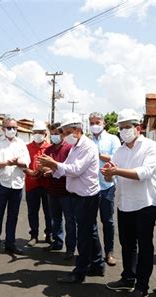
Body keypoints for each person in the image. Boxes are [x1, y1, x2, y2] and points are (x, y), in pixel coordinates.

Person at [101, 109, 156, 297]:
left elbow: (143, 173)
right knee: (127, 245)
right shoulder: (119, 151)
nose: (124, 131)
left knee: (144, 246)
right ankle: (128, 277)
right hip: (124, 203)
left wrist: (116, 170)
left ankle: (142, 287)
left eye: (127, 127)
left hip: (145, 203)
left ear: (138, 128)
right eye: (121, 127)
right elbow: (111, 176)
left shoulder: (151, 147)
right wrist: (108, 174)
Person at [38, 112, 104, 284]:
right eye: (63, 133)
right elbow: (66, 169)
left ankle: (79, 272)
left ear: (77, 130)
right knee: (91, 232)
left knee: (84, 235)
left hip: (86, 197)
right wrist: (53, 168)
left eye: (67, 132)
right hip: (79, 195)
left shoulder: (87, 146)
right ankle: (98, 264)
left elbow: (75, 169)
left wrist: (53, 164)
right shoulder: (76, 147)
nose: (64, 136)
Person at [0, 116, 30, 256]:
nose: (12, 130)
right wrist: (7, 163)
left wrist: (17, 163)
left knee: (13, 216)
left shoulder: (21, 143)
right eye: (9, 127)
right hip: (1, 185)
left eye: (15, 128)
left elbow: (26, 163)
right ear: (3, 129)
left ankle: (10, 244)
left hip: (17, 185)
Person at [89, 112, 121, 266]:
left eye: (97, 122)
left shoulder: (113, 139)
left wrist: (98, 154)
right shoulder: (87, 141)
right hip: (90, 187)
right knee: (90, 222)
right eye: (92, 122)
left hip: (107, 186)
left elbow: (116, 158)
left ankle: (109, 253)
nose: (95, 125)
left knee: (107, 221)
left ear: (103, 124)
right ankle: (95, 253)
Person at [42, 122, 76, 258]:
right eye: (53, 134)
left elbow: (69, 168)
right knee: (55, 219)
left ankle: (71, 248)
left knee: (69, 221)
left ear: (63, 134)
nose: (55, 136)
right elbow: (41, 165)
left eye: (58, 133)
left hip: (66, 191)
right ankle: (57, 242)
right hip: (52, 191)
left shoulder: (69, 149)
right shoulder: (48, 150)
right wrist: (51, 169)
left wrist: (52, 170)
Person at [24, 120, 52, 247]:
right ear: (32, 133)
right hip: (32, 184)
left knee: (49, 211)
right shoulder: (27, 148)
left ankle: (49, 235)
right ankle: (33, 235)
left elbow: (55, 166)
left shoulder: (50, 148)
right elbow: (22, 165)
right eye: (36, 132)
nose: (38, 134)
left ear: (45, 134)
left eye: (41, 132)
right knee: (32, 211)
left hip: (47, 185)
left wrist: (46, 170)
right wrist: (29, 171)